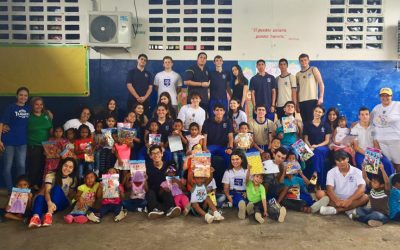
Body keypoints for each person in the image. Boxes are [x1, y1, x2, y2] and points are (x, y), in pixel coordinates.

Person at [315, 150, 368, 216]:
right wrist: (337, 201)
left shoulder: (357, 171)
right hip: (336, 200)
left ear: (348, 159)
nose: (341, 162)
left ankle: (337, 210)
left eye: (343, 159)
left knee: (365, 197)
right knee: (319, 193)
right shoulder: (331, 172)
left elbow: (362, 188)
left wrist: (349, 200)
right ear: (335, 161)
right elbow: (329, 189)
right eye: (338, 160)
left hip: (352, 199)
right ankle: (348, 209)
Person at [28, 157, 78, 228]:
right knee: (39, 197)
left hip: (62, 203)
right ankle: (36, 218)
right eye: (65, 165)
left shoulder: (73, 179)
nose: (67, 168)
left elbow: (71, 195)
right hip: (50, 203)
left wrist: (80, 196)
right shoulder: (51, 175)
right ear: (61, 165)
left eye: (70, 167)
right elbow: (47, 191)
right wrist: (49, 202)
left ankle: (49, 214)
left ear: (73, 169)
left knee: (57, 188)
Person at [0, 87, 30, 193]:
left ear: (27, 97)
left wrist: (48, 112)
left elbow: (39, 112)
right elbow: (2, 123)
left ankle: (20, 192)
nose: (23, 97)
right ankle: (10, 191)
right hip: (9, 142)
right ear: (17, 96)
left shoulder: (28, 109)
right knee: (7, 168)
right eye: (21, 95)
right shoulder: (10, 107)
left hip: (22, 143)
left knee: (21, 167)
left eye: (25, 95)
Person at [351, 107, 395, 176]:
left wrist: (373, 154)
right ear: (359, 116)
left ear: (369, 116)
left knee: (387, 163)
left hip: (374, 151)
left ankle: (391, 183)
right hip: (361, 153)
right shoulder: (354, 129)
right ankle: (371, 186)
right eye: (362, 114)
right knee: (366, 166)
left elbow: (376, 144)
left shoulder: (374, 128)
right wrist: (368, 155)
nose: (364, 116)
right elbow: (356, 147)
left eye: (366, 114)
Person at [145, 145, 181, 219]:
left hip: (164, 192)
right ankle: (155, 210)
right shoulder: (147, 167)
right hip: (153, 193)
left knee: (167, 192)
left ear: (162, 154)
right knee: (149, 193)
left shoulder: (169, 165)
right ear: (150, 156)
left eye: (158, 153)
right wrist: (144, 180)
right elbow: (146, 188)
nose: (156, 155)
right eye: (153, 153)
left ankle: (170, 209)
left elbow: (175, 180)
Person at [371, 87, 400, 173]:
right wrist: (357, 122)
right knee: (388, 165)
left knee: (398, 165)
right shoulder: (377, 108)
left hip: (396, 140)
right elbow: (369, 119)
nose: (385, 97)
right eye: (382, 95)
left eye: (387, 95)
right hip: (381, 143)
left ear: (391, 96)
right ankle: (391, 184)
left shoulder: (397, 105)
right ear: (380, 97)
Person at [202, 103, 234, 180]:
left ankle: (228, 181)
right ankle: (207, 182)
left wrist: (230, 148)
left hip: (223, 147)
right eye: (217, 110)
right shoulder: (207, 121)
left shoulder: (228, 121)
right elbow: (204, 136)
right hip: (211, 146)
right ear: (213, 112)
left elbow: (230, 136)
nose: (219, 112)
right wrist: (205, 148)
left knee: (229, 157)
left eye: (221, 110)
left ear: (224, 112)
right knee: (204, 158)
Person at [26, 97, 53, 190]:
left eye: (41, 104)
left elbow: (51, 129)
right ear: (32, 105)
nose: (39, 106)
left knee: (44, 167)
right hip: (34, 146)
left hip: (47, 146)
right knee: (35, 168)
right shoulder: (28, 116)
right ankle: (31, 187)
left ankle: (40, 186)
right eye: (36, 104)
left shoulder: (46, 115)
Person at [303, 105, 331, 187]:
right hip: (310, 147)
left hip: (323, 148)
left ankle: (315, 173)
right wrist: (310, 146)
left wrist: (317, 146)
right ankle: (310, 182)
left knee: (318, 151)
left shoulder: (325, 125)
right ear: (313, 112)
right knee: (303, 155)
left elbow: (327, 141)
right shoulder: (307, 124)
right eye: (316, 111)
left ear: (322, 114)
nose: (317, 113)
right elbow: (305, 139)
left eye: (320, 112)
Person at [296, 53, 325, 123]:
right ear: (299, 62)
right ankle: (306, 134)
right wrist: (297, 104)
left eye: (305, 60)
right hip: (302, 102)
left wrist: (321, 97)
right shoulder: (297, 74)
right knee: (305, 122)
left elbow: (321, 83)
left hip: (312, 100)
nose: (303, 62)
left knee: (313, 121)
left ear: (309, 61)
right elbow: (297, 90)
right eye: (301, 60)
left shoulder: (313, 69)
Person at [222, 150, 248, 219]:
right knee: (238, 199)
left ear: (242, 159)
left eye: (237, 159)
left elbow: (250, 184)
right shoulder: (228, 172)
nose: (235, 161)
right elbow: (226, 187)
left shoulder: (246, 171)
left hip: (245, 192)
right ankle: (242, 207)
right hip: (234, 192)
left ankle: (247, 207)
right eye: (232, 159)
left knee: (249, 199)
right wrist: (228, 197)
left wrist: (248, 193)